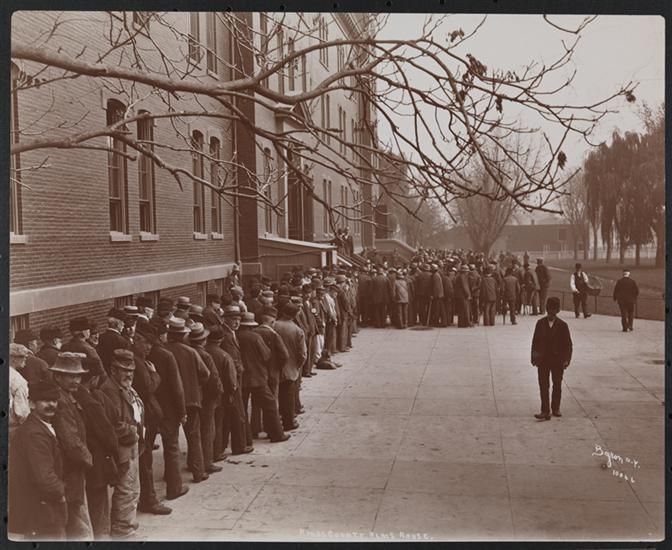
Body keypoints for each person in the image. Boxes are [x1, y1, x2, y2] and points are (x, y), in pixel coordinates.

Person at [8, 380, 67, 540]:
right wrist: (61, 493)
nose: (51, 405)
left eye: (54, 400)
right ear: (32, 404)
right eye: (45, 400)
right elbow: (44, 478)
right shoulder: (34, 434)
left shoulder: (42, 426)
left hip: (41, 506)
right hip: (40, 508)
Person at [49, 352, 94, 540]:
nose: (76, 380)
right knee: (79, 525)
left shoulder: (67, 396)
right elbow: (71, 443)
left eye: (78, 375)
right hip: (70, 470)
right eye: (70, 375)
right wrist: (89, 460)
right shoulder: (61, 401)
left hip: (73, 470)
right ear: (58, 376)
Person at [99, 349, 143, 539]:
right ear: (113, 370)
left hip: (132, 445)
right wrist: (132, 431)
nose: (129, 374)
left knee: (133, 489)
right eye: (124, 370)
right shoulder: (109, 390)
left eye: (131, 371)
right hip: (123, 447)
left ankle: (128, 524)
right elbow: (113, 424)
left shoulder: (125, 387)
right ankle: (122, 531)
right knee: (126, 489)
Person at [164, 317, 211, 483]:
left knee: (171, 441)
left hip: (169, 402)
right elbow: (205, 374)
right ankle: (198, 471)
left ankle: (170, 474)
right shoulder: (191, 352)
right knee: (194, 436)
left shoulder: (163, 351)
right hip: (191, 399)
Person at [147, 318, 189, 500]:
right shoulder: (166, 355)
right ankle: (174, 487)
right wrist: (182, 412)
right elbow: (177, 388)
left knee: (147, 450)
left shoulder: (143, 354)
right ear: (162, 335)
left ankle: (148, 493)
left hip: (149, 408)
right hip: (169, 408)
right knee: (171, 447)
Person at [238, 312, 290, 443]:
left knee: (242, 408)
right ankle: (277, 434)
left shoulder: (236, 336)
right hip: (257, 377)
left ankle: (247, 437)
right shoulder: (255, 338)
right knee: (270, 404)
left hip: (241, 379)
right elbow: (266, 355)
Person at [531, 297, 573, 421]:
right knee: (543, 385)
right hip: (543, 360)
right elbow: (535, 342)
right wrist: (534, 357)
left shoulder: (563, 325)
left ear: (558, 311)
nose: (551, 314)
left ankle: (555, 408)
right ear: (546, 309)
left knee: (557, 385)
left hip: (557, 361)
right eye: (549, 311)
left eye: (554, 311)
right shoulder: (540, 323)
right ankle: (545, 410)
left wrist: (566, 360)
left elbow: (568, 345)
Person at [273, 303, 307, 432]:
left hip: (274, 367)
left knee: (275, 395)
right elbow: (302, 353)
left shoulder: (273, 325)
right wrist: (298, 365)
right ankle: (288, 422)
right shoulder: (297, 330)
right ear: (294, 315)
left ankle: (275, 420)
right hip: (291, 367)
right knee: (288, 396)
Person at [9, 343, 31, 437]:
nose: (25, 359)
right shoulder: (18, 381)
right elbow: (22, 413)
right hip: (12, 430)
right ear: (12, 358)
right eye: (22, 357)